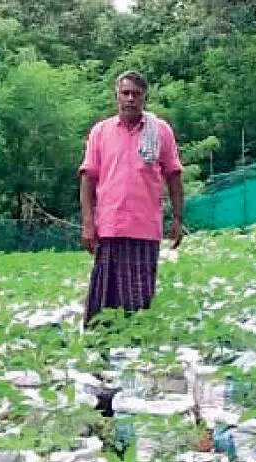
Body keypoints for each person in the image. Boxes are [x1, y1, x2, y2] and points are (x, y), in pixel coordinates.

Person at [78, 70, 184, 327]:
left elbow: (173, 175)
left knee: (139, 299)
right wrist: (88, 224)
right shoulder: (101, 131)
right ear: (117, 96)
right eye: (125, 93)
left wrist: (177, 219)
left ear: (145, 97)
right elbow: (88, 178)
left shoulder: (159, 131)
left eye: (136, 94)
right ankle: (100, 344)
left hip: (144, 228)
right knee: (103, 300)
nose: (130, 99)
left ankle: (136, 343)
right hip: (109, 226)